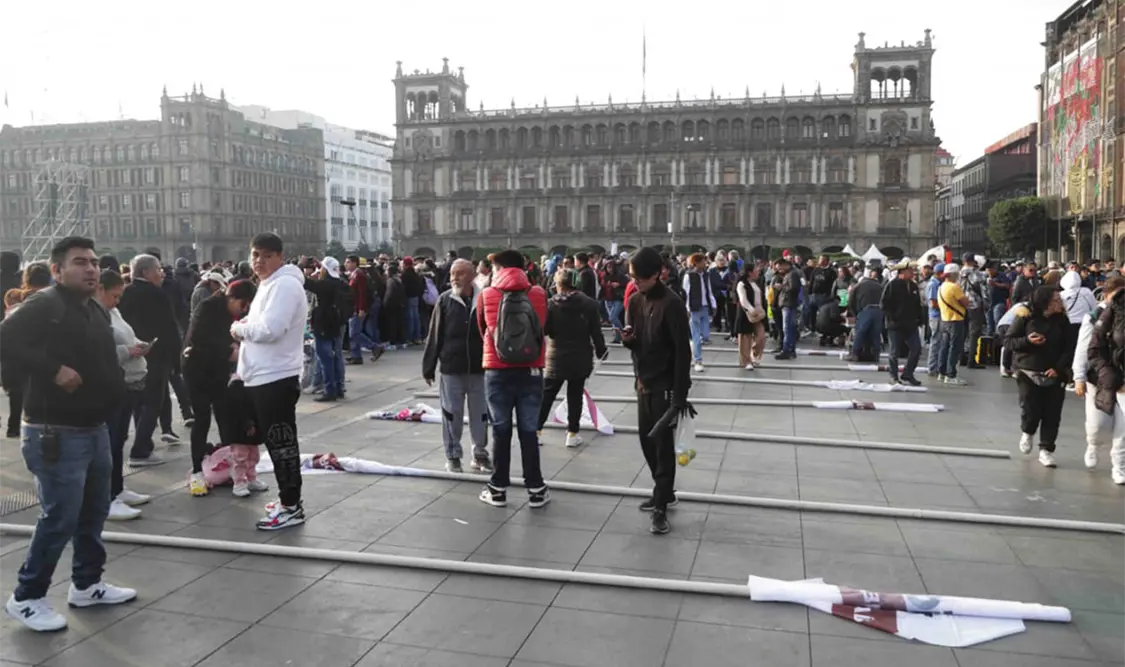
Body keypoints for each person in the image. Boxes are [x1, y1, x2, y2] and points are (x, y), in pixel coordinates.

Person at [0, 237, 135, 632]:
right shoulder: (46, 304)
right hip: (55, 430)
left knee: (93, 511)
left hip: (93, 427)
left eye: (93, 262)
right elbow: (4, 339)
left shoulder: (91, 305)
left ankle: (87, 583)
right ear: (57, 270)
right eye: (80, 263)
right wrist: (52, 369)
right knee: (60, 516)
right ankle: (27, 596)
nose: (91, 269)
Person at [230, 233, 309, 530]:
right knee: (278, 444)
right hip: (264, 376)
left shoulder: (286, 285)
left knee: (282, 444)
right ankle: (288, 501)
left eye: (265, 255)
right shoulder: (270, 284)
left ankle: (291, 506)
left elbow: (271, 329)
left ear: (279, 256)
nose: (258, 262)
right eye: (254, 255)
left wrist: (239, 330)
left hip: (276, 378)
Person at [622, 247, 692, 535]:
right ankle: (663, 490)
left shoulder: (672, 303)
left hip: (665, 384)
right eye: (632, 278)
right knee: (646, 441)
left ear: (656, 275)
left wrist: (680, 396)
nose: (634, 283)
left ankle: (662, 505)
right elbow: (638, 341)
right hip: (644, 381)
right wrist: (629, 341)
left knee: (663, 447)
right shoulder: (635, 301)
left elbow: (681, 352)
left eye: (639, 278)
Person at [476, 249, 550, 509]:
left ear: (500, 268)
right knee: (529, 431)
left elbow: (482, 329)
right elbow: (542, 326)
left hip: (498, 370)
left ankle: (497, 489)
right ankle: (536, 489)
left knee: (501, 429)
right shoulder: (539, 293)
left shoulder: (487, 295)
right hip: (531, 370)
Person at [183, 280, 258, 496]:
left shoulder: (231, 313)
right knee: (202, 417)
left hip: (219, 370)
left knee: (227, 416)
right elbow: (198, 338)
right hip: (197, 370)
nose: (243, 310)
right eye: (242, 304)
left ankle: (237, 470)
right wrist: (228, 350)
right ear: (231, 297)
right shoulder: (208, 307)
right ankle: (197, 469)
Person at [422, 259, 492, 474]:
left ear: (472, 275)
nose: (454, 278)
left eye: (459, 273)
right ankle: (453, 455)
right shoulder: (445, 300)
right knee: (451, 413)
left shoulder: (484, 299)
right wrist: (429, 366)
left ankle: (480, 453)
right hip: (452, 368)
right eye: (452, 273)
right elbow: (434, 334)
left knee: (480, 414)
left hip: (479, 368)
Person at [118, 254, 184, 465]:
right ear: (145, 272)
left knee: (140, 403)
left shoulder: (126, 293)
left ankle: (143, 445)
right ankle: (140, 450)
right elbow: (170, 328)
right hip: (157, 355)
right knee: (154, 401)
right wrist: (177, 360)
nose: (161, 273)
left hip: (133, 356)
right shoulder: (157, 294)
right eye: (157, 269)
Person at [97, 270, 152, 521]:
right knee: (108, 442)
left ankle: (117, 489)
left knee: (118, 440)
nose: (117, 301)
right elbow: (101, 351)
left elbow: (126, 334)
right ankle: (105, 498)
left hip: (128, 381)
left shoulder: (112, 311)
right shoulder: (94, 315)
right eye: (114, 296)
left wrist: (139, 344)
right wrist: (128, 351)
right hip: (110, 382)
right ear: (100, 290)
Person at [536, 268, 608, 448]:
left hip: (555, 356)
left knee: (547, 395)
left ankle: (535, 431)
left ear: (558, 284)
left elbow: (545, 330)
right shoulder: (590, 304)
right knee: (575, 395)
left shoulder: (551, 304)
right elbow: (596, 332)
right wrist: (601, 351)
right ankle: (572, 433)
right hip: (580, 356)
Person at [1007, 286, 1072, 467]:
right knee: (1031, 408)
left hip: (1054, 372)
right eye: (1056, 300)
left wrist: (1059, 369)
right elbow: (1008, 341)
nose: (1060, 303)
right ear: (1045, 303)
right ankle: (1028, 431)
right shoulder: (1026, 316)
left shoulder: (1062, 321)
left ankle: (1046, 449)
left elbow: (1069, 348)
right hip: (1028, 370)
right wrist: (1028, 341)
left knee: (1052, 413)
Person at [1073, 274, 1125, 482]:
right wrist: (1078, 376)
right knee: (1099, 425)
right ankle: (1093, 443)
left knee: (1124, 428)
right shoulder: (1095, 317)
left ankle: (1119, 465)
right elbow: (1084, 349)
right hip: (1099, 378)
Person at [303, 257, 349, 403]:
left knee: (325, 359)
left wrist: (298, 267)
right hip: (337, 323)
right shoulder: (342, 283)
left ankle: (330, 390)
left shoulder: (324, 284)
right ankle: (339, 387)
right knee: (337, 357)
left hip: (323, 324)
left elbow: (306, 282)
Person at [881, 260, 924, 386]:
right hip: (896, 324)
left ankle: (908, 373)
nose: (912, 273)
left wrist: (920, 319)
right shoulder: (892, 285)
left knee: (916, 348)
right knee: (894, 351)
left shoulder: (913, 286)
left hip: (911, 323)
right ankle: (893, 376)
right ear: (902, 272)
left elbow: (917, 304)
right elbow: (884, 304)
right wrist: (892, 318)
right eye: (910, 271)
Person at [936, 263, 970, 386]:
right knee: (954, 348)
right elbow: (965, 302)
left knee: (944, 347)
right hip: (956, 320)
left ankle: (942, 372)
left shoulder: (941, 287)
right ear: (954, 274)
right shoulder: (955, 287)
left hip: (944, 319)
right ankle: (951, 374)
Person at [682, 253, 715, 373]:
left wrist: (713, 303)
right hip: (694, 308)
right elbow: (685, 293)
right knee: (696, 334)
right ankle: (698, 359)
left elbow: (709, 289)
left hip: (705, 306)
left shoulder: (706, 275)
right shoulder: (688, 276)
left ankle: (694, 346)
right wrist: (687, 309)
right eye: (702, 261)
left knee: (705, 335)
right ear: (695, 263)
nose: (704, 264)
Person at [733, 263, 767, 370]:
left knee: (761, 336)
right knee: (745, 337)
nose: (758, 272)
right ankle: (746, 360)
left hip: (759, 312)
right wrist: (751, 310)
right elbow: (743, 300)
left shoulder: (756, 283)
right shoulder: (741, 284)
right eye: (756, 270)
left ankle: (755, 355)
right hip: (746, 313)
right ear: (750, 272)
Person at [846, 269, 884, 362]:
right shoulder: (880, 286)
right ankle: (876, 355)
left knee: (860, 333)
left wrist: (855, 314)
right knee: (876, 334)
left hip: (866, 310)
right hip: (879, 310)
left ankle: (855, 354)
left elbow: (851, 301)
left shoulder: (858, 285)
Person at [773, 257, 801, 360]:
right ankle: (790, 349)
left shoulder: (792, 274)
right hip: (788, 303)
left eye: (780, 268)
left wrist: (782, 287)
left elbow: (794, 288)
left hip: (788, 303)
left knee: (787, 328)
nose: (779, 271)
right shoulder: (789, 274)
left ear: (785, 264)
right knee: (790, 328)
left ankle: (787, 350)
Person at [925, 263, 945, 376]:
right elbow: (933, 303)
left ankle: (936, 366)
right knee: (936, 341)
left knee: (939, 341)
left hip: (938, 316)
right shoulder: (933, 284)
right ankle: (932, 367)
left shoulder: (938, 283)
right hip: (936, 316)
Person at [401, 256, 424, 345]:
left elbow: (403, 287)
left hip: (409, 297)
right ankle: (417, 337)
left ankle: (409, 338)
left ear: (405, 265)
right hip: (416, 297)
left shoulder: (405, 275)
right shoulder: (415, 274)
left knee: (409, 318)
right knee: (416, 318)